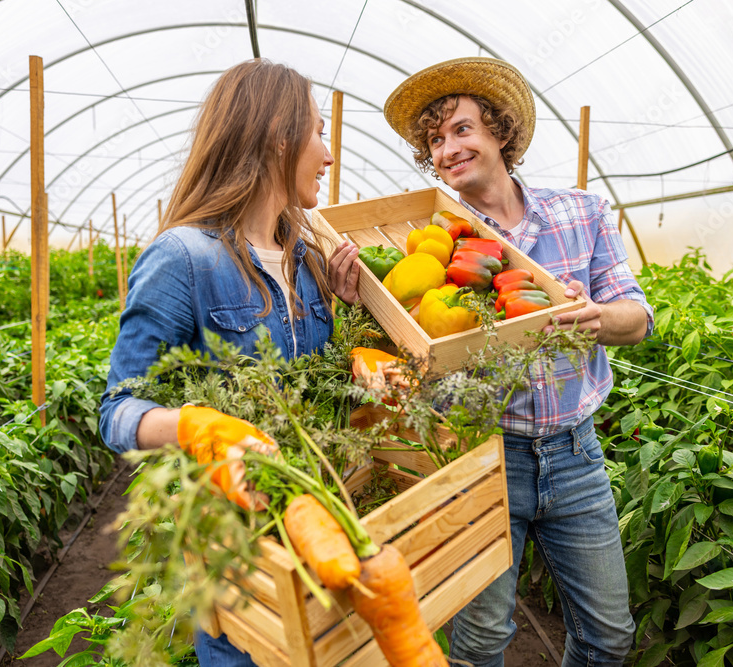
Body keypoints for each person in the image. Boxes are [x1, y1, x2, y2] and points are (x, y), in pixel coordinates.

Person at [329, 57, 654, 666]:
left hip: (574, 453)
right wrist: (358, 301)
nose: (448, 149)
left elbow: (637, 317)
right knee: (480, 643)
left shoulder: (579, 213)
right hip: (478, 456)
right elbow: (399, 354)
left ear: (501, 132)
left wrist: (596, 318)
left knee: (609, 636)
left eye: (462, 130)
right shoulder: (426, 238)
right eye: (435, 139)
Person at [99, 58, 335, 666]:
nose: (328, 153)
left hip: (319, 533)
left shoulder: (309, 256)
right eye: (319, 132)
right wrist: (194, 425)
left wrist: (358, 324)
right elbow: (117, 411)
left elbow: (320, 391)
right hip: (237, 557)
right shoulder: (183, 257)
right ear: (279, 138)